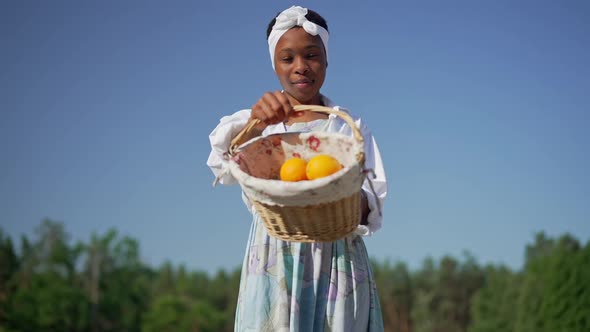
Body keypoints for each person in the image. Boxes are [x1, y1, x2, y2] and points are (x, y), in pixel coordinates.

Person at [207, 5, 387, 331]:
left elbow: (370, 204)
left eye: (312, 55)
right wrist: (255, 123)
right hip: (275, 258)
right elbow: (224, 162)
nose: (301, 67)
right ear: (274, 66)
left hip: (337, 262)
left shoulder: (348, 128)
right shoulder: (260, 124)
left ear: (327, 60)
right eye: (287, 58)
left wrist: (339, 196)